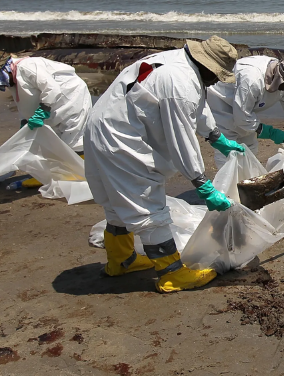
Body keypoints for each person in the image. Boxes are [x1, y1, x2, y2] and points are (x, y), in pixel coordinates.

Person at [83, 36, 245, 293]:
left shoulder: (180, 63)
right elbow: (181, 140)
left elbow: (197, 106)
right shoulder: (180, 83)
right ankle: (172, 275)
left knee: (117, 202)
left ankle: (121, 260)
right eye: (216, 75)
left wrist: (216, 137)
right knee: (148, 205)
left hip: (102, 126)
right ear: (205, 65)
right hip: (122, 140)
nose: (216, 81)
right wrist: (202, 184)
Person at [0, 55, 93, 186]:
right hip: (54, 103)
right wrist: (25, 120)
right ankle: (55, 173)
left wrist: (43, 111)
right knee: (53, 140)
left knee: (72, 139)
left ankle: (81, 172)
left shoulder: (27, 66)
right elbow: (23, 100)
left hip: (71, 96)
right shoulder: (12, 77)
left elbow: (51, 88)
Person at [205, 56, 284, 168]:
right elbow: (242, 117)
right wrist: (270, 132)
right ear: (279, 80)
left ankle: (246, 180)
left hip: (243, 104)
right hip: (222, 101)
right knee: (228, 151)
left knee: (249, 145)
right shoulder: (251, 80)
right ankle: (228, 183)